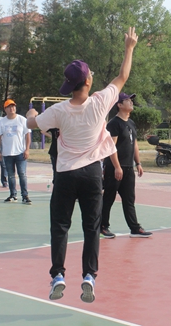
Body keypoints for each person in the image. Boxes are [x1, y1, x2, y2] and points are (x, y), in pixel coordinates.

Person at [26, 26, 138, 304]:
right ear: (88, 81)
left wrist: (30, 112)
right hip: (92, 174)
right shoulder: (100, 102)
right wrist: (129, 48)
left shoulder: (58, 110)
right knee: (91, 227)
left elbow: (31, 123)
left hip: (66, 175)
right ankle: (89, 275)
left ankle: (58, 275)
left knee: (60, 226)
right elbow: (123, 76)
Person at [101, 92, 152, 239]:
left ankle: (135, 228)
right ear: (119, 105)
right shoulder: (114, 124)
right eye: (127, 100)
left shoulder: (131, 123)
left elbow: (134, 144)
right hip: (115, 168)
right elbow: (111, 147)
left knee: (129, 199)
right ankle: (102, 226)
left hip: (129, 168)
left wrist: (138, 163)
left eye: (131, 100)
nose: (131, 102)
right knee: (109, 198)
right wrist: (117, 167)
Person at [0, 99, 32, 204]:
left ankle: (25, 195)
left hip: (20, 152)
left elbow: (27, 135)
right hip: (7, 153)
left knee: (22, 174)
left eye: (13, 106)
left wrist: (27, 149)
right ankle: (13, 194)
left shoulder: (22, 119)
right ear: (5, 109)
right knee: (10, 175)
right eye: (9, 107)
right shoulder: (1, 122)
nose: (12, 108)